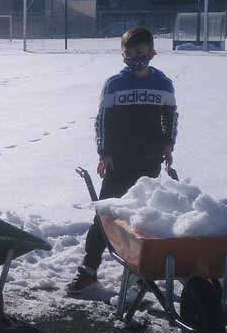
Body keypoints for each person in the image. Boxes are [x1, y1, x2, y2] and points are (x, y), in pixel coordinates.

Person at [68, 26, 177, 294]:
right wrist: (104, 152)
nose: (134, 58)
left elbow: (170, 116)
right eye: (128, 53)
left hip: (149, 161)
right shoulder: (115, 84)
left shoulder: (163, 84)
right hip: (119, 162)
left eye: (140, 52)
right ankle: (89, 270)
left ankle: (141, 273)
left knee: (142, 218)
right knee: (104, 216)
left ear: (152, 53)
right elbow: (102, 120)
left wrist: (168, 144)